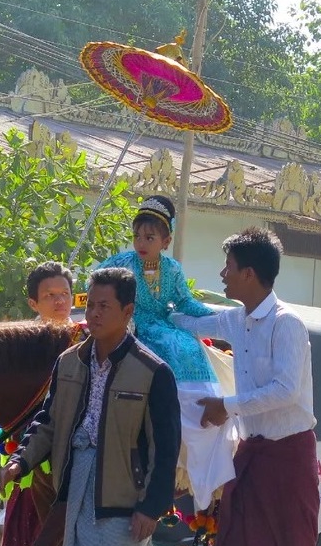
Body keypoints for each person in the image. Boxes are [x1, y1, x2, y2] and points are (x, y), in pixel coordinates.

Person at [1, 267, 180, 546]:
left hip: (122, 496)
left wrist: (152, 507)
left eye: (104, 306)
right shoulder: (68, 363)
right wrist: (23, 459)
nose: (93, 313)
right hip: (71, 484)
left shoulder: (153, 372)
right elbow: (47, 421)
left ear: (128, 311)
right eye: (90, 304)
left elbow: (166, 447)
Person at [162, 228, 321, 546]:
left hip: (289, 454)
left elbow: (286, 391)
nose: (222, 274)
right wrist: (153, 308)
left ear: (249, 273)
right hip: (250, 452)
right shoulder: (238, 319)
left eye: (227, 267)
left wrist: (225, 406)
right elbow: (193, 324)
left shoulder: (286, 323)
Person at [98, 195, 237, 508]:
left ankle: (197, 413)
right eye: (137, 236)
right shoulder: (122, 263)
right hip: (133, 325)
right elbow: (96, 282)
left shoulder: (172, 270)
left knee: (186, 343)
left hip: (163, 326)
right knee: (167, 343)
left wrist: (214, 317)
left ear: (166, 240)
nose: (141, 243)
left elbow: (185, 303)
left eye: (149, 237)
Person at [0, 261, 78, 546]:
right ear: (33, 302)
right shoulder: (21, 345)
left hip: (63, 463)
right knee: (21, 539)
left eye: (64, 294)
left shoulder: (85, 339)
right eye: (50, 296)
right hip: (25, 455)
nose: (59, 302)